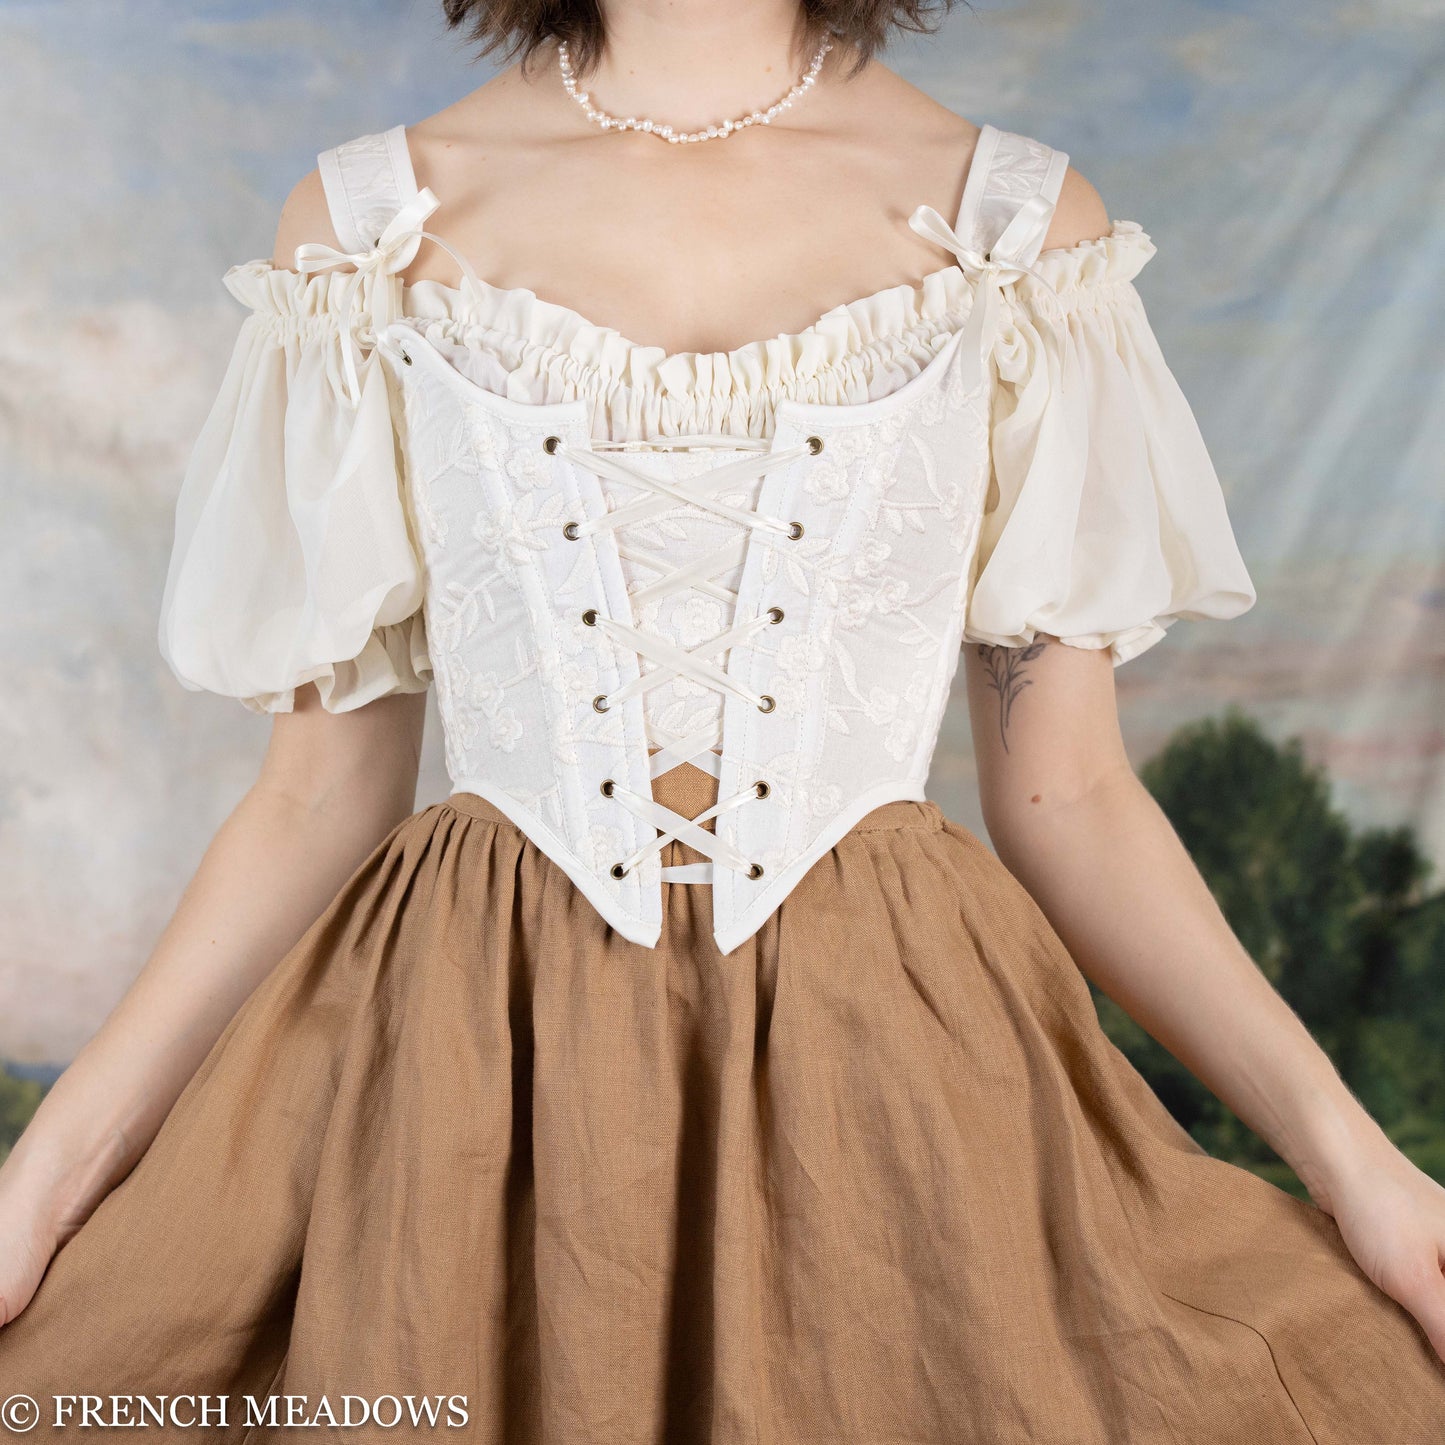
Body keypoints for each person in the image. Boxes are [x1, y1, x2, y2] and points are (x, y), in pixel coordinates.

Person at [2, 0, 1443, 1438]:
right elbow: (314, 797)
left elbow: (1068, 795)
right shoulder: (366, 226)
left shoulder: (1016, 229)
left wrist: (1352, 1165)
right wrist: (44, 1181)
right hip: (473, 1079)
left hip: (895, 1073)